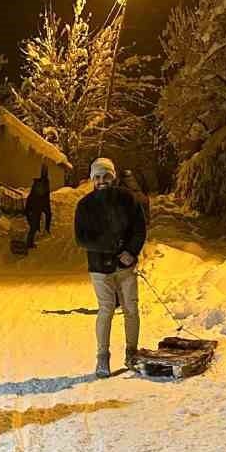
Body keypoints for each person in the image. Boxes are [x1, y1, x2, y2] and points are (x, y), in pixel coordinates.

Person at [73, 157, 147, 378]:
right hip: (99, 267)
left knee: (131, 309)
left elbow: (139, 229)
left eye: (106, 176)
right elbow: (82, 238)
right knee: (106, 310)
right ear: (92, 179)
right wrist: (112, 248)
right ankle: (102, 357)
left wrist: (131, 252)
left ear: (113, 177)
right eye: (97, 177)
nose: (102, 180)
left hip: (126, 267)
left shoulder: (128, 200)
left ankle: (132, 353)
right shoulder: (84, 205)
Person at [23, 164, 53, 249]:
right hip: (39, 206)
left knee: (34, 223)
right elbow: (46, 197)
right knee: (34, 225)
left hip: (34, 206)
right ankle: (29, 243)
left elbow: (32, 196)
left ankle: (33, 236)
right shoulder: (45, 183)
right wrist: (47, 209)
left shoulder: (37, 183)